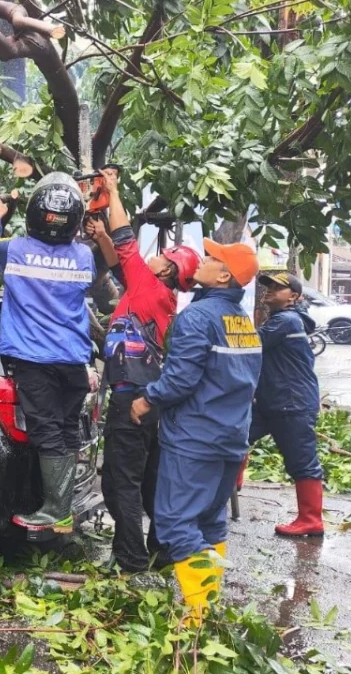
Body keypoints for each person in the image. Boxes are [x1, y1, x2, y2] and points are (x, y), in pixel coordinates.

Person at [130, 239, 261, 625]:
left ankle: (199, 613)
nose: (202, 260)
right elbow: (251, 384)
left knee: (174, 522)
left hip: (194, 439)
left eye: (212, 258)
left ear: (223, 275)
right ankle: (207, 606)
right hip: (230, 438)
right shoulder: (244, 323)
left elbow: (180, 380)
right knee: (210, 519)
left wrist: (147, 399)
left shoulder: (198, 317)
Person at [85, 170, 200, 573]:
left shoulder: (151, 286)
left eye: (163, 256)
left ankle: (130, 559)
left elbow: (126, 243)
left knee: (122, 484)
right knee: (146, 479)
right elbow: (120, 263)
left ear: (168, 270)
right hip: (145, 393)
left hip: (133, 394)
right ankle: (159, 548)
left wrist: (113, 191)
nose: (155, 254)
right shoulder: (149, 290)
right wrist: (99, 235)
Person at [0, 173, 95, 536]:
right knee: (66, 427)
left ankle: (55, 511)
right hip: (74, 361)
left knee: (46, 432)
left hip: (36, 360)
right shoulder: (84, 257)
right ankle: (67, 500)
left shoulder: (13, 250)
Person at [248, 272, 324, 536]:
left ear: (293, 296)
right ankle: (224, 492)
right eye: (268, 286)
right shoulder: (284, 319)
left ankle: (311, 520)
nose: (269, 290)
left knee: (302, 461)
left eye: (277, 287)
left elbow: (249, 344)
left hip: (292, 403)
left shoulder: (287, 321)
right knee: (234, 438)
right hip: (272, 401)